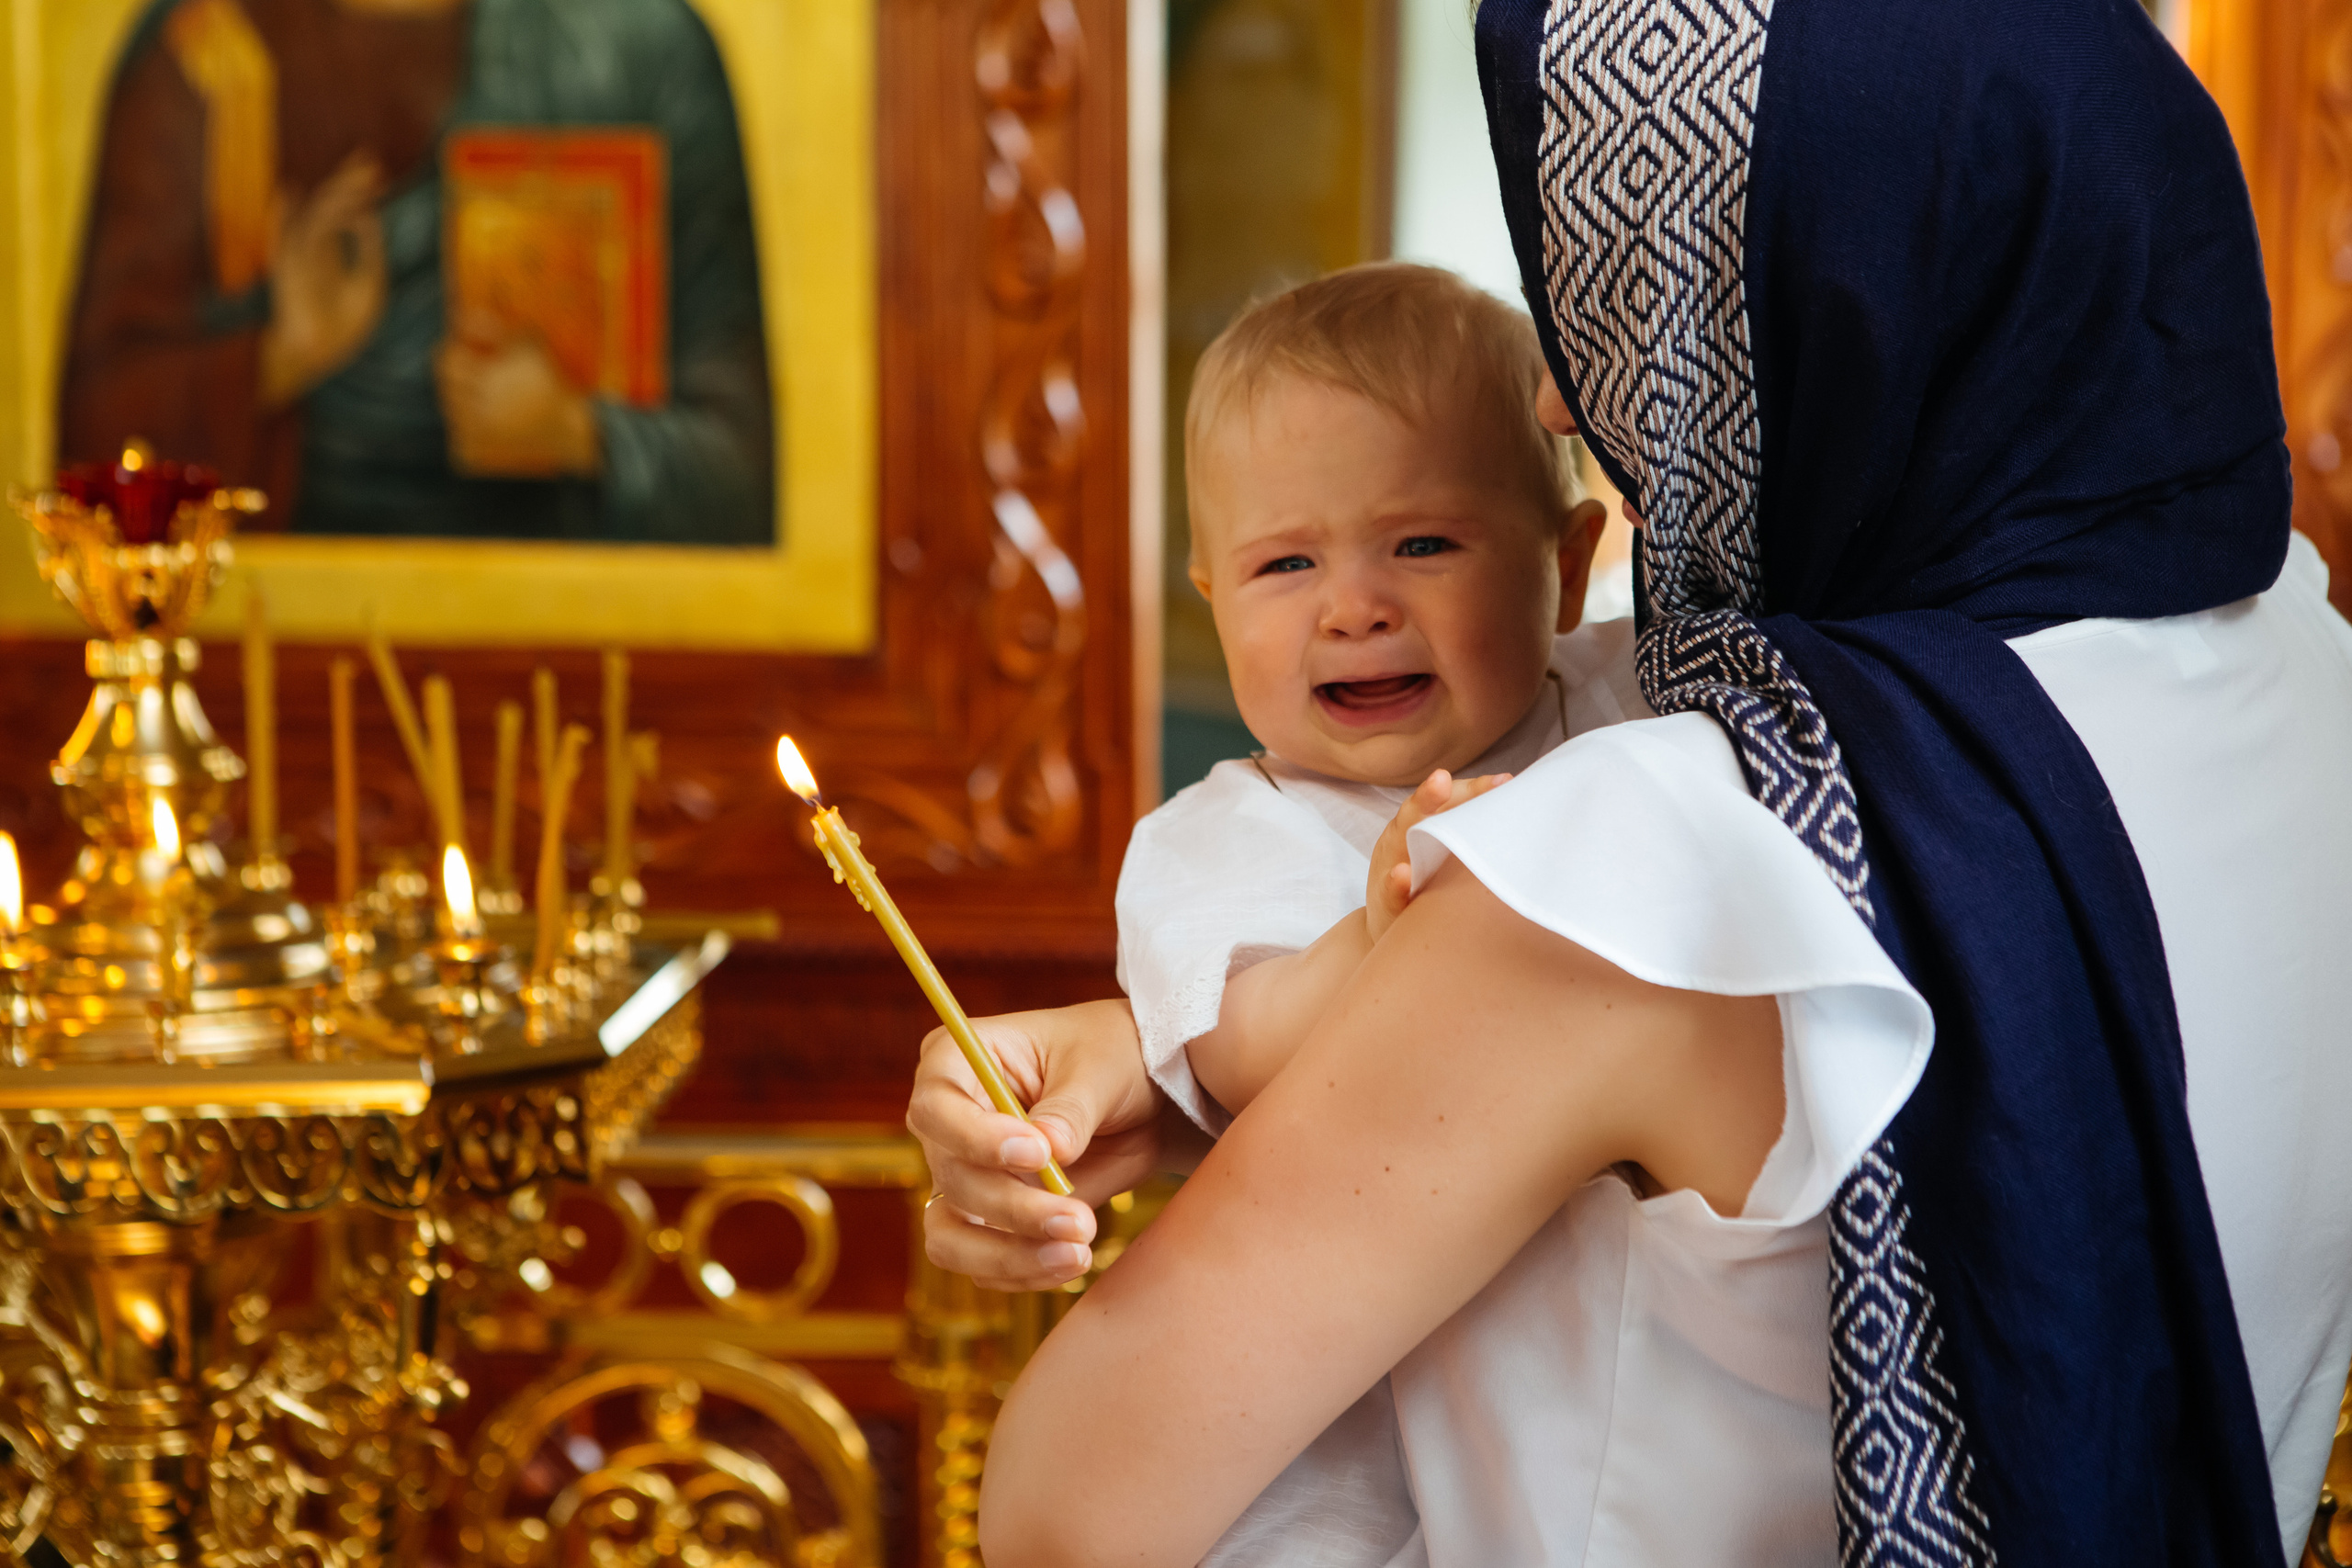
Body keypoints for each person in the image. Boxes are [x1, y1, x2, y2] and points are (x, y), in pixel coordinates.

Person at [909, 0, 2352, 1563]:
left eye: (1648, 296)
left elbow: (1067, 1506)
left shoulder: (1641, 871)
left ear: (1853, 299)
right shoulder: (2304, 658)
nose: (1559, 400)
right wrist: (1169, 1049)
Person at [1116, 262, 1615, 1563]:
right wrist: (1380, 941)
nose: (1354, 604)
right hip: (1348, 1437)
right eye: (1285, 561)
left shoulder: (1626, 705)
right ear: (1211, 598)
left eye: (1423, 543)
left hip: (1592, 1369)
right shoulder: (1225, 838)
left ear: (1565, 567)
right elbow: (1238, 1044)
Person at [58, 0, 771, 544]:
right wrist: (278, 356)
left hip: (584, 665)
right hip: (268, 659)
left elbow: (747, 478)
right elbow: (87, 465)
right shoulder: (206, 62)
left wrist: (580, 433)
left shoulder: (631, 54)